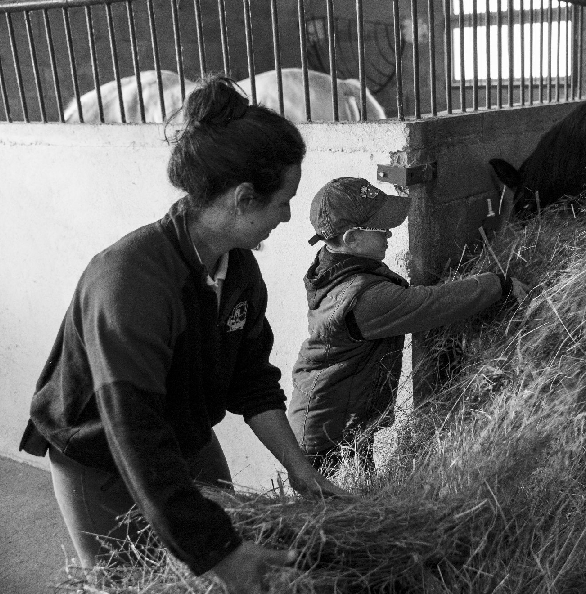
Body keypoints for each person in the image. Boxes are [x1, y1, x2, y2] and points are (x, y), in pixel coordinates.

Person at [18, 76, 345, 593]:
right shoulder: (130, 281)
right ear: (242, 198)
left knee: (219, 555)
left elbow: (251, 381)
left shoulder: (237, 270)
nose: (287, 217)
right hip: (102, 452)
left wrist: (300, 471)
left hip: (184, 435)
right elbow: (135, 434)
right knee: (129, 581)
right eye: (283, 201)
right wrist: (220, 553)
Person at [288, 177, 527, 473]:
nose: (390, 233)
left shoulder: (335, 266)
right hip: (324, 434)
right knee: (333, 510)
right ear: (351, 239)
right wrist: (497, 285)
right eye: (381, 228)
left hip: (342, 416)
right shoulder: (363, 298)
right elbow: (429, 304)